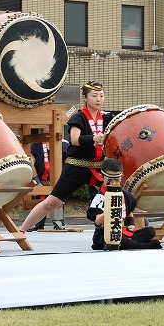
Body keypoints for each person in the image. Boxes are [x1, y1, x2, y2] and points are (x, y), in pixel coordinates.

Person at [19, 81, 112, 232]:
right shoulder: (78, 118)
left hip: (100, 169)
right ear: (85, 98)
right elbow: (74, 140)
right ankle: (21, 231)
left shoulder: (108, 118)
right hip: (77, 166)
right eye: (94, 96)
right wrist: (93, 138)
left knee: (118, 197)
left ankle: (131, 229)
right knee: (52, 203)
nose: (98, 99)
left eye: (101, 96)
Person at [86, 158, 161, 250]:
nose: (114, 182)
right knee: (117, 239)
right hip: (106, 235)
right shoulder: (100, 198)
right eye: (110, 179)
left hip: (123, 231)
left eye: (117, 179)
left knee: (150, 231)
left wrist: (131, 224)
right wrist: (108, 213)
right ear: (102, 177)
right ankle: (144, 245)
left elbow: (128, 211)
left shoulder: (125, 195)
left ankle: (131, 243)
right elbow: (97, 222)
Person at [26, 138, 70, 232]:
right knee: (39, 201)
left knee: (58, 199)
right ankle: (36, 223)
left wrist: (64, 180)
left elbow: (69, 163)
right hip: (40, 181)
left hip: (58, 180)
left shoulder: (64, 144)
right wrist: (37, 182)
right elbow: (31, 164)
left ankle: (58, 220)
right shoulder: (35, 145)